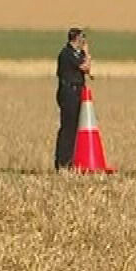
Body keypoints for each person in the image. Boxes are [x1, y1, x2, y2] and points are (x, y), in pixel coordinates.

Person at [54, 27, 92, 169]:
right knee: (68, 128)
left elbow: (88, 70)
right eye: (82, 38)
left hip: (78, 91)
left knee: (75, 127)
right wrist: (87, 53)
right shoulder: (67, 54)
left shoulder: (78, 53)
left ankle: (71, 160)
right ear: (76, 38)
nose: (83, 41)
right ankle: (62, 161)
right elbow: (84, 67)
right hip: (68, 91)